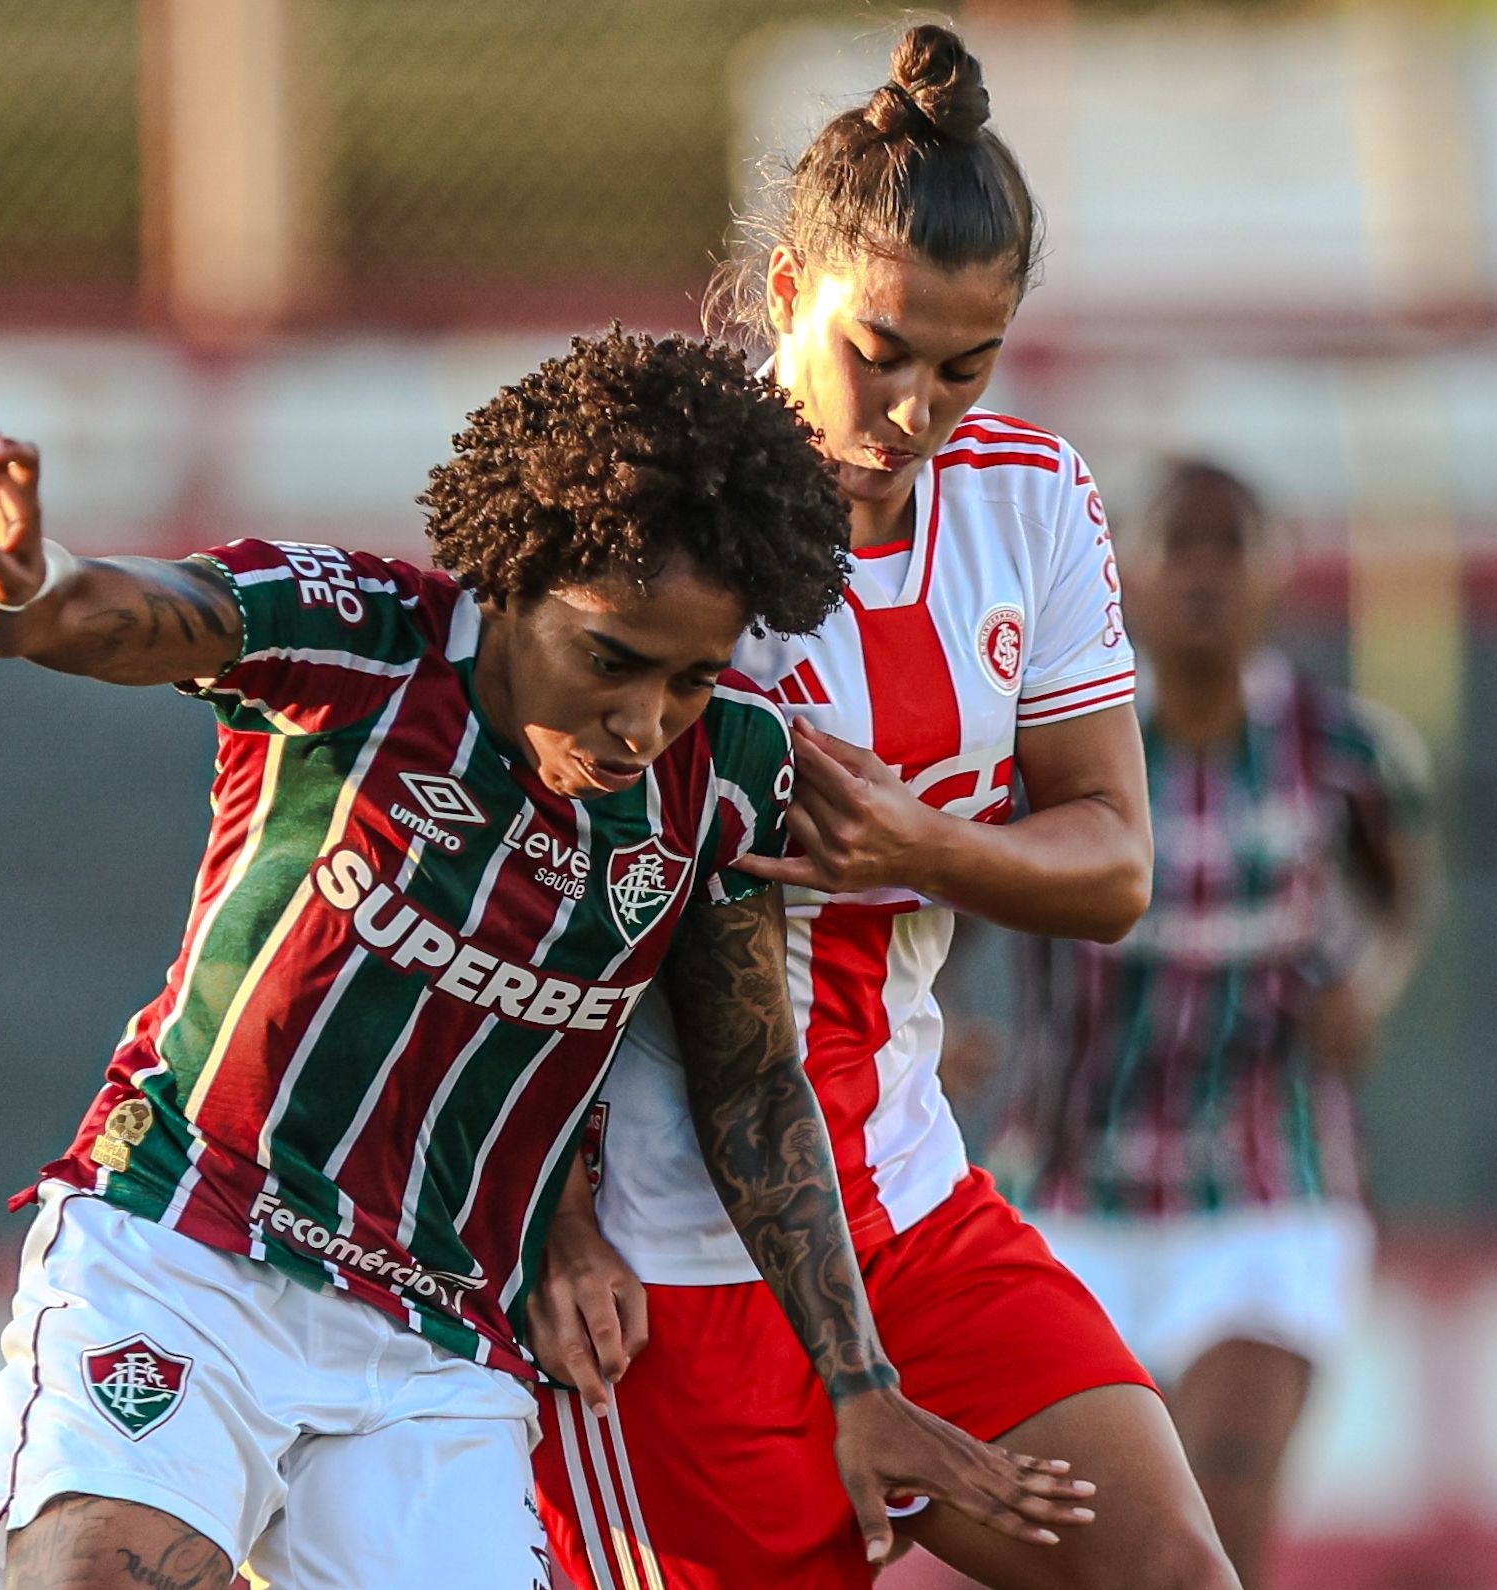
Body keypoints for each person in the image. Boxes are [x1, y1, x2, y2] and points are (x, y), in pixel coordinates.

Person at [0, 330, 1095, 1590]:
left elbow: (750, 1087)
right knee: (98, 1572)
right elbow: (91, 613)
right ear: (515, 578)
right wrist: (19, 575)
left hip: (438, 1344)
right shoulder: (359, 644)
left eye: (694, 678)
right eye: (613, 659)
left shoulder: (724, 780)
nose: (645, 721)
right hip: (193, 1247)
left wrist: (861, 1382)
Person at [528, 26, 1246, 1590]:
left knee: (1172, 1569)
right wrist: (548, 1223)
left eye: (965, 364)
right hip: (679, 1253)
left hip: (910, 1203)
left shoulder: (1034, 501)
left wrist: (926, 848)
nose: (918, 407)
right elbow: (518, 883)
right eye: (883, 350)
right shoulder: (653, 511)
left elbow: (1111, 858)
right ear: (786, 294)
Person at [985, 458, 1438, 1590]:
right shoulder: (1054, 755)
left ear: (1276, 574)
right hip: (1071, 1190)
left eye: (1227, 546)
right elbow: (947, 909)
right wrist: (931, 1029)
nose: (1200, 574)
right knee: (1072, 1534)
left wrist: (1366, 987)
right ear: (1122, 571)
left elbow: (1402, 897)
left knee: (1221, 1503)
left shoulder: (1347, 754)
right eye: (1174, 545)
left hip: (1264, 1189)